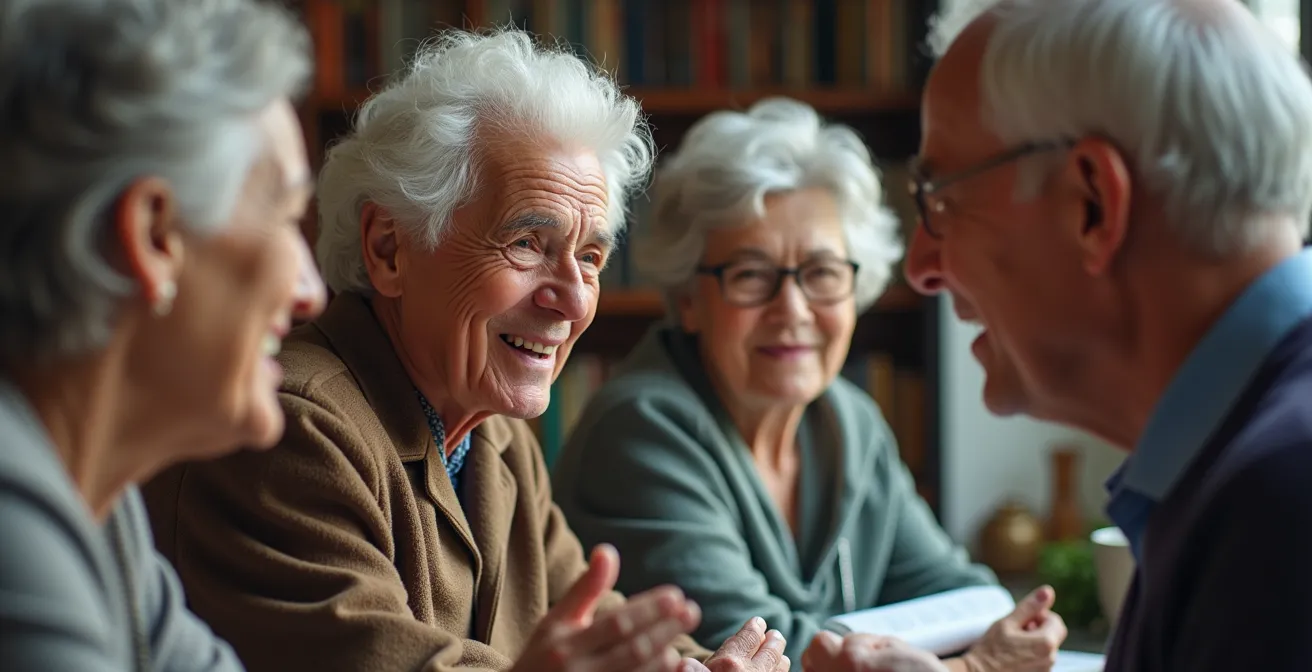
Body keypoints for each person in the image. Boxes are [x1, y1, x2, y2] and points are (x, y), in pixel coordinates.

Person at [142, 27, 791, 672]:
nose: (571, 300)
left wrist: (707, 667)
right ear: (389, 248)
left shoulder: (494, 438)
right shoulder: (293, 429)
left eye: (589, 257)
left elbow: (593, 628)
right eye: (528, 244)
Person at [550, 97, 1066, 672]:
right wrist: (971, 667)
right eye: (751, 275)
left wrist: (1004, 631)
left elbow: (958, 595)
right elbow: (756, 655)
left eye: (820, 273)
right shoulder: (638, 431)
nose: (791, 309)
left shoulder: (850, 419)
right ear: (691, 299)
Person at [893, 0, 1312, 670]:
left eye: (941, 199)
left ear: (1092, 203)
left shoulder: (1281, 500)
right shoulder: (1239, 469)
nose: (920, 268)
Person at [0, 0, 327, 669]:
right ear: (155, 237)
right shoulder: (12, 514)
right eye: (288, 218)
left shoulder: (101, 509)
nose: (310, 292)